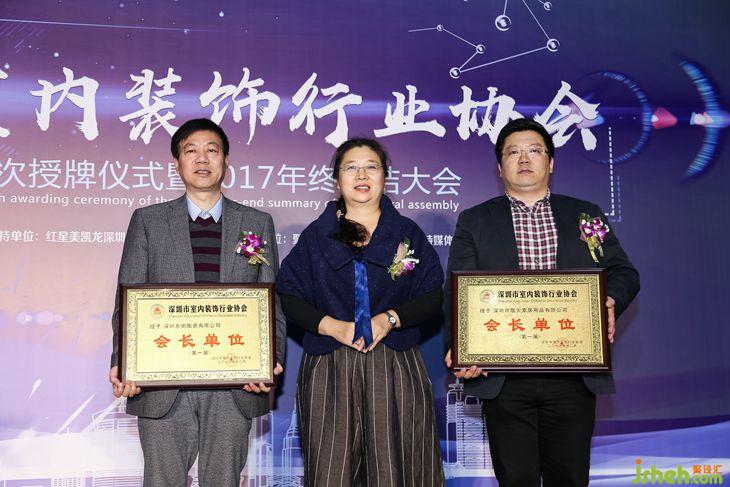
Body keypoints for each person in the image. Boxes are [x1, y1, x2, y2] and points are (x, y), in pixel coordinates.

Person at [444, 118, 639, 487]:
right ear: (500, 167)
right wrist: (461, 346)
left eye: (534, 150)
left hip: (572, 374)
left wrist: (609, 300)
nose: (524, 159)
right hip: (503, 376)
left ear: (550, 163)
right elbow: (457, 290)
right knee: (516, 478)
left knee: (569, 477)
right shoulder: (475, 220)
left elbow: (623, 272)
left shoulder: (585, 215)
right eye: (513, 152)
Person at [108, 118, 285, 486]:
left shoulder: (256, 222)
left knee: (223, 480)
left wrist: (269, 362)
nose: (202, 159)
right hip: (162, 383)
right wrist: (124, 362)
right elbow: (128, 300)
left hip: (233, 383)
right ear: (177, 163)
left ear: (226, 160)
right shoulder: (148, 221)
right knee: (162, 480)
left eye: (212, 150)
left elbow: (271, 302)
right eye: (191, 151)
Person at [276, 138, 445, 487]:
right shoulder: (316, 236)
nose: (362, 175)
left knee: (397, 468)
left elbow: (432, 297)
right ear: (337, 179)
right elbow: (289, 296)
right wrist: (333, 327)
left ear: (385, 176)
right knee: (330, 470)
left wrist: (390, 319)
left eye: (371, 166)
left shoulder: (406, 233)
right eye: (351, 167)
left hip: (394, 363)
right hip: (330, 365)